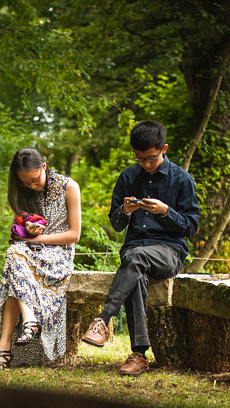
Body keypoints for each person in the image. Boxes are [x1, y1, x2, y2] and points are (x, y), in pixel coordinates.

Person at [81, 121, 200, 375]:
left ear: (164, 149)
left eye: (151, 158)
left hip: (169, 251)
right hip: (134, 251)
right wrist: (124, 210)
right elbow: (115, 224)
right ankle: (139, 356)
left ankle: (103, 318)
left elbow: (191, 227)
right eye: (140, 159)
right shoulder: (128, 177)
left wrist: (166, 211)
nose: (146, 164)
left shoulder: (182, 179)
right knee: (137, 272)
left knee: (135, 258)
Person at [0, 149, 82, 370]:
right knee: (14, 253)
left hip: (59, 253)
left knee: (14, 257)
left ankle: (4, 350)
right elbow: (16, 234)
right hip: (28, 252)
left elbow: (74, 234)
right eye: (25, 183)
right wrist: (25, 230)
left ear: (44, 167)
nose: (31, 186)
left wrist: (39, 238)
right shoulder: (23, 193)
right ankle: (28, 322)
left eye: (34, 179)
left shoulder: (69, 187)